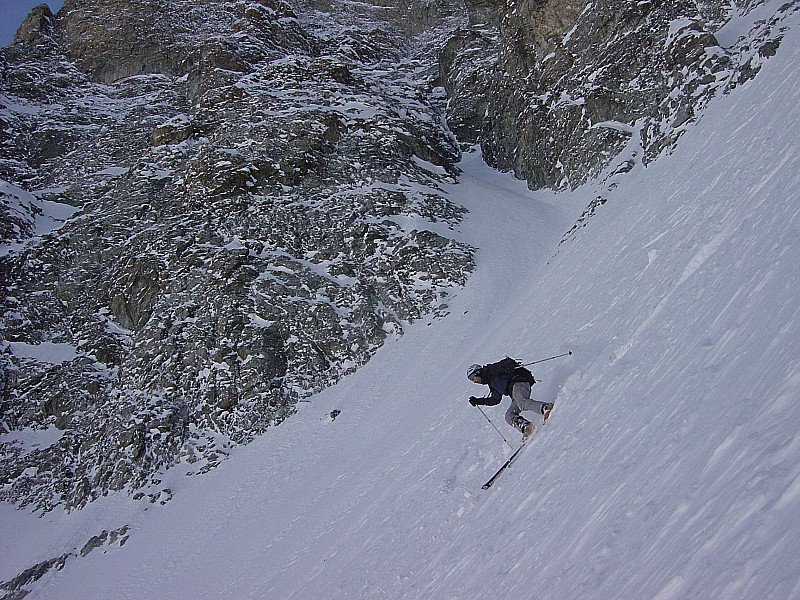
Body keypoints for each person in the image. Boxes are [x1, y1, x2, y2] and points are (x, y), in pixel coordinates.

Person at [467, 358, 553, 438]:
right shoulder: (491, 382)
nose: (474, 381)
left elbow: (508, 362)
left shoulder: (491, 370)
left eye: (472, 378)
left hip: (518, 382)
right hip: (514, 392)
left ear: (477, 373)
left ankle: (546, 407)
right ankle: (526, 427)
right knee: (509, 416)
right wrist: (478, 401)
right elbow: (495, 400)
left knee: (522, 403)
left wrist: (509, 367)